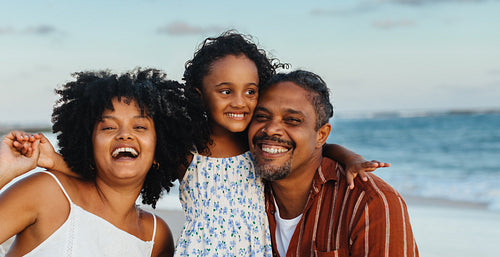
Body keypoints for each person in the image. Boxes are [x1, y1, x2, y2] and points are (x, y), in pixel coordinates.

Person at [8, 31, 389, 256]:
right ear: (199, 93)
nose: (239, 102)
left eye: (250, 91)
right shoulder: (188, 148)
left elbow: (311, 148)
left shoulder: (259, 147)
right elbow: (120, 171)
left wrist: (349, 157)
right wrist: (54, 162)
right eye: (226, 90)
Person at [0, 69, 208, 257]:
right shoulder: (47, 193)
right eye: (108, 127)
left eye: (139, 127)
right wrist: (3, 169)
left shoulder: (155, 236)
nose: (124, 134)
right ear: (88, 144)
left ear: (159, 151)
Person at [248, 70, 419, 257]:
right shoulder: (244, 192)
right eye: (262, 117)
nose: (271, 129)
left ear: (321, 135)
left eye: (292, 120)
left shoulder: (371, 204)